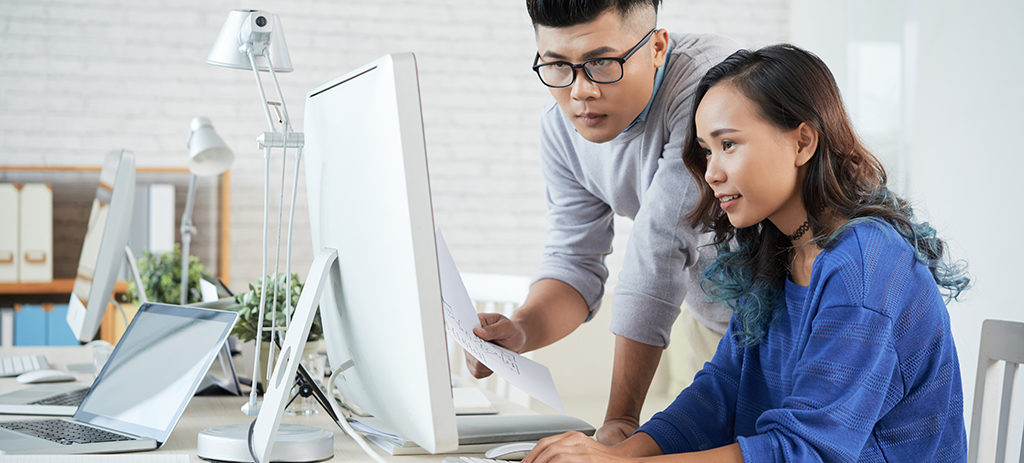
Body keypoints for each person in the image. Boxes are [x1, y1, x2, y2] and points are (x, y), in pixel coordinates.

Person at [521, 43, 971, 462]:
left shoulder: (864, 265)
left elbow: (805, 450)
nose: (712, 173)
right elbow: (720, 392)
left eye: (729, 144)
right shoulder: (777, 252)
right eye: (706, 151)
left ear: (802, 142)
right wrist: (620, 453)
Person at [464, 0, 738, 444]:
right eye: (556, 66)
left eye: (602, 63)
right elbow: (574, 260)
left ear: (657, 47)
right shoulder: (560, 129)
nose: (580, 92)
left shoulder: (712, 82)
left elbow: (661, 244)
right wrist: (522, 329)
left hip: (800, 320)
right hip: (715, 327)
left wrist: (619, 422)